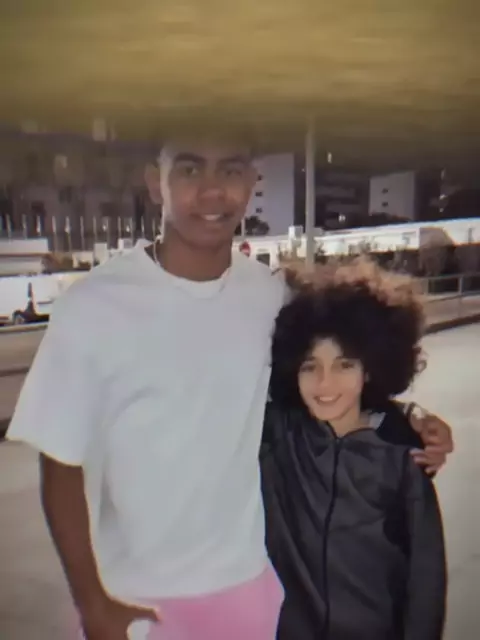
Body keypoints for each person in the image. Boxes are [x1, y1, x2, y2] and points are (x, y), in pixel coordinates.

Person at [7, 138, 452, 640]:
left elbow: (341, 374)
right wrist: (92, 602)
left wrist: (408, 419)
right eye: (190, 170)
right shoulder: (93, 306)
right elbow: (60, 462)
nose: (212, 190)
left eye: (231, 170)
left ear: (251, 182)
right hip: (134, 599)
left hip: (251, 592)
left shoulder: (271, 295)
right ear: (155, 182)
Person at [261, 258, 447, 639]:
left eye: (344, 365)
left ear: (370, 368)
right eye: (310, 366)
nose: (325, 383)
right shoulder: (279, 440)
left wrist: (412, 417)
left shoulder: (402, 459)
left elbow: (425, 584)